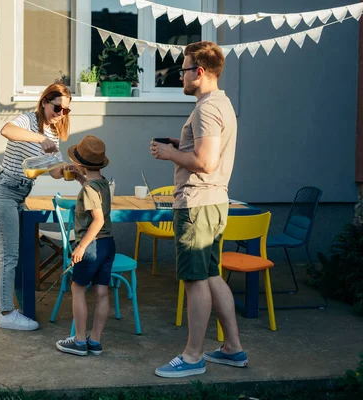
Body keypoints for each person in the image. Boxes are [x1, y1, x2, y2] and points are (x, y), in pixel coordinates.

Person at [149, 41, 248, 377]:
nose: (181, 77)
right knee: (210, 274)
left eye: (185, 70)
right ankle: (232, 348)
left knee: (194, 280)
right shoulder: (222, 103)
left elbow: (205, 162)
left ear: (200, 72)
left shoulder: (206, 109)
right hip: (216, 200)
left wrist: (169, 154)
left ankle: (193, 356)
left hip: (197, 202)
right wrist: (182, 145)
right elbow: (208, 153)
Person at [0, 83, 71, 331]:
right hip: (1, 190)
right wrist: (40, 138)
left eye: (66, 111)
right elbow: (6, 130)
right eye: (57, 107)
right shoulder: (28, 120)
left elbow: (54, 173)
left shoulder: (53, 136)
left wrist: (71, 169)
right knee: (9, 254)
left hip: (17, 195)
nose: (61, 114)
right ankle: (7, 313)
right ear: (44, 102)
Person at [55, 135, 114, 356]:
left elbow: (97, 219)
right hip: (108, 244)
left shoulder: (89, 190)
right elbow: (93, 192)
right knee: (101, 292)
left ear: (80, 164)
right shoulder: (102, 183)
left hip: (91, 245)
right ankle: (95, 341)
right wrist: (81, 179)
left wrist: (80, 247)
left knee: (77, 289)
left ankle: (79, 341)